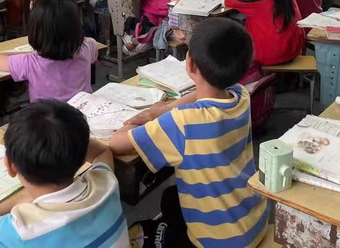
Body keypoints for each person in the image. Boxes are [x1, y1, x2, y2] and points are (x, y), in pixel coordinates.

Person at [109, 18, 268, 247]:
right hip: (253, 219)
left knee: (156, 231)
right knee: (170, 199)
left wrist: (138, 118)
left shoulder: (183, 122)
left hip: (217, 242)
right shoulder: (240, 95)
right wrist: (161, 110)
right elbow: (199, 96)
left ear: (190, 64)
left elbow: (116, 143)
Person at [0, 100, 128, 247]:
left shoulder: (20, 230)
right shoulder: (105, 183)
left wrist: (11, 205)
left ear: (10, 166)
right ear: (82, 156)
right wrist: (69, 138)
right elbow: (101, 152)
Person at [0, 0, 98, 102]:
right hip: (83, 110)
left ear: (35, 31)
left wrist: (32, 52)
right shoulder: (87, 48)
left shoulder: (30, 62)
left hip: (46, 113)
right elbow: (90, 41)